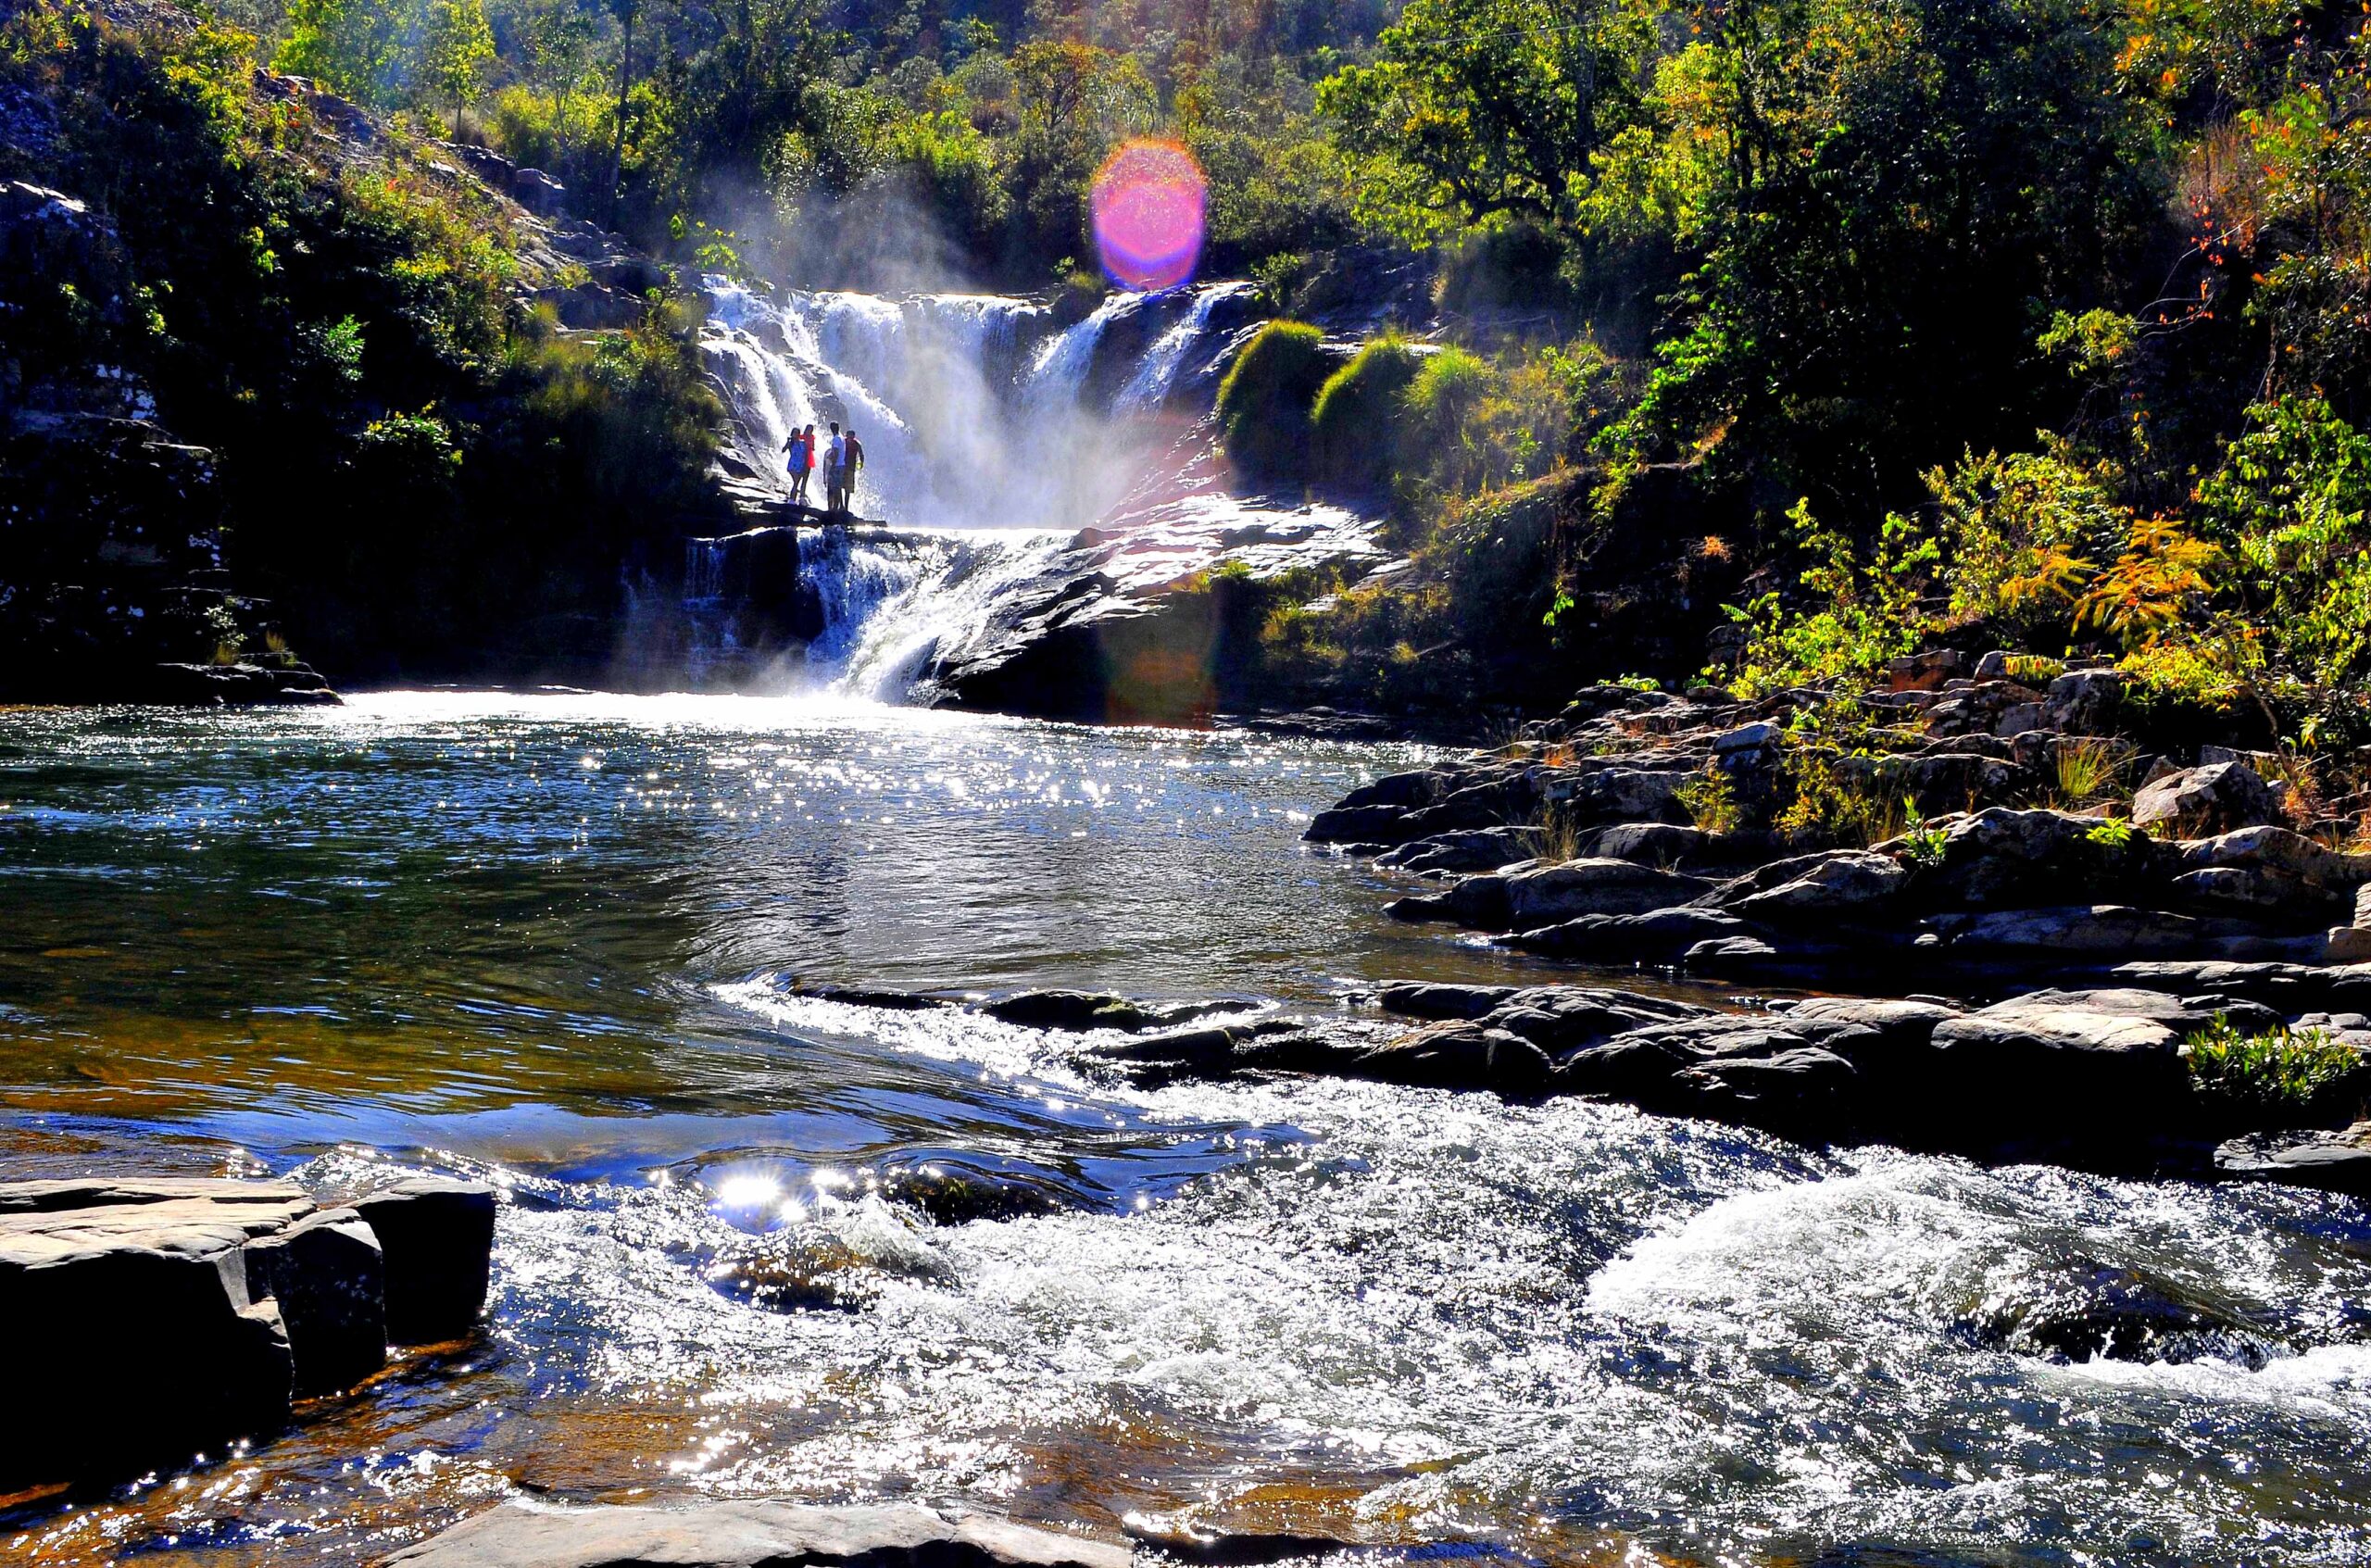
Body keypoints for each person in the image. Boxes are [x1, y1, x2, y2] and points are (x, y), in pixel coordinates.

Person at [784, 425, 813, 507]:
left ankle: (795, 499)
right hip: (793, 465)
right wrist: (787, 442)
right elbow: (783, 450)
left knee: (797, 482)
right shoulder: (791, 443)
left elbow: (807, 453)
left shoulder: (802, 443)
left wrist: (806, 465)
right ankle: (792, 499)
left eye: (797, 433)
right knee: (796, 482)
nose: (796, 435)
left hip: (800, 466)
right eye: (794, 433)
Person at [841, 427, 864, 516]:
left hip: (843, 467)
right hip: (850, 468)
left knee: (841, 487)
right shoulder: (857, 443)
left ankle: (842, 506)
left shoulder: (844, 442)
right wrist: (861, 464)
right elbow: (861, 455)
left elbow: (861, 455)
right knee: (847, 489)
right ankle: (844, 507)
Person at [823, 421, 846, 515]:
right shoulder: (841, 438)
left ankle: (835, 508)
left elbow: (836, 453)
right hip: (842, 464)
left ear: (832, 429)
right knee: (838, 486)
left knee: (834, 487)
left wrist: (832, 465)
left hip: (837, 465)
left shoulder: (836, 439)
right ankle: (841, 506)